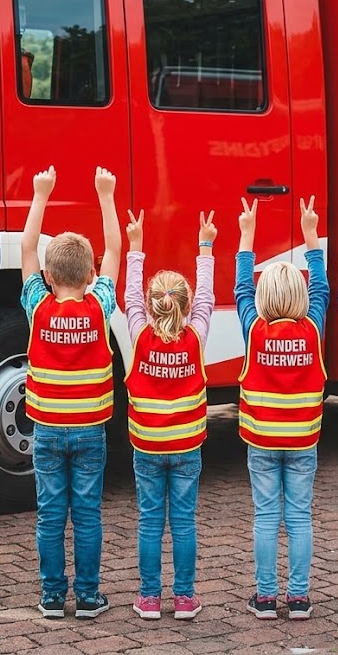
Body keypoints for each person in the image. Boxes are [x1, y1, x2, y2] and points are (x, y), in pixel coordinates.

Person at [21, 165, 121, 620]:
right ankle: (87, 596)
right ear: (92, 273)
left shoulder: (36, 306)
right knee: (86, 515)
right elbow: (116, 249)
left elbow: (25, 246)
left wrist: (41, 194)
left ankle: (50, 596)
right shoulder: (99, 306)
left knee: (48, 515)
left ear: (45, 274)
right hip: (89, 433)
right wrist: (106, 195)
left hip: (45, 431)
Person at [235, 196, 329, 621]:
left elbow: (240, 288)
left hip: (262, 442)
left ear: (261, 297)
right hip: (302, 441)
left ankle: (267, 598)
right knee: (299, 516)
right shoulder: (313, 328)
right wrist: (311, 236)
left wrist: (246, 235)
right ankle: (300, 598)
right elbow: (323, 288)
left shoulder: (253, 329)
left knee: (267, 515)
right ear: (303, 297)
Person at [124, 209, 217, 621]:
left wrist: (136, 246)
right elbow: (207, 298)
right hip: (186, 446)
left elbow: (128, 297)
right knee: (183, 522)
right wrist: (205, 247)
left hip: (147, 445)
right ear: (184, 306)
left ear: (149, 306)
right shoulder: (196, 337)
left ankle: (148, 598)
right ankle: (183, 598)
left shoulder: (139, 334)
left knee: (148, 522)